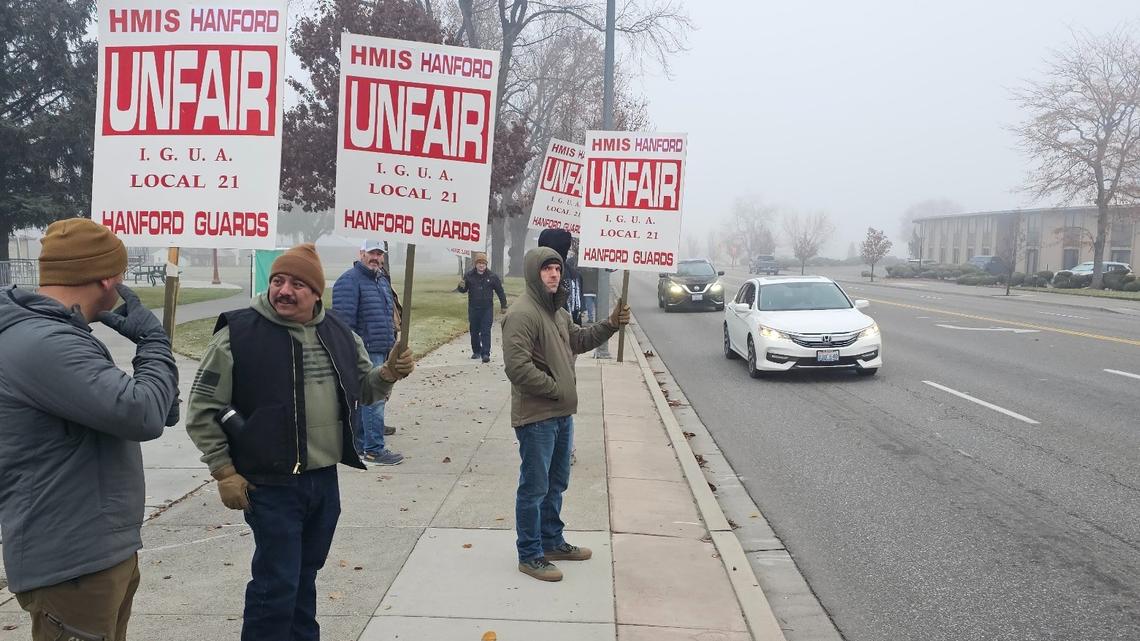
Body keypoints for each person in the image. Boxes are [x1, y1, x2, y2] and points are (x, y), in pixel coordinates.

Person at [186, 243, 415, 641]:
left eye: (296, 283)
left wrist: (389, 373)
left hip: (322, 481)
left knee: (304, 578)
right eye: (277, 280)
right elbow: (203, 408)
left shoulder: (339, 333)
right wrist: (223, 470)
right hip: (268, 483)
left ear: (316, 293)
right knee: (276, 586)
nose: (284, 290)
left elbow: (363, 387)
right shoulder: (237, 333)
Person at [0, 218, 179, 641]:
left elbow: (146, 407)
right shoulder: (44, 342)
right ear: (106, 278)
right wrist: (154, 341)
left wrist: (154, 387)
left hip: (95, 548)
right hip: (71, 559)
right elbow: (142, 414)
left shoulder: (58, 334)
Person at [502, 246, 630, 582]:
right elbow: (517, 368)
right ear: (534, 273)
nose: (554, 274)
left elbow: (580, 339)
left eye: (557, 269)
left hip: (561, 415)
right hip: (536, 417)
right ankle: (530, 554)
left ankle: (552, 541)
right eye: (546, 269)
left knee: (557, 482)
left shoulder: (557, 312)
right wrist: (557, 388)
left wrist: (611, 324)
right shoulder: (523, 313)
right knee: (534, 488)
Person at [330, 239, 403, 466]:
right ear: (361, 253)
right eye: (371, 253)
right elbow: (343, 324)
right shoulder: (349, 281)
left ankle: (362, 443)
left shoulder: (380, 279)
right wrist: (349, 353)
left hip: (382, 347)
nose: (376, 257)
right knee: (374, 400)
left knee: (372, 399)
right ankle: (373, 450)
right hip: (365, 352)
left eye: (379, 253)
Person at [458, 251, 507, 362]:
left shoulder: (492, 277)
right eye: (479, 263)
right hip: (474, 308)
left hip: (487, 308)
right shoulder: (469, 276)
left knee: (485, 331)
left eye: (483, 263)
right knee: (474, 331)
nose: (481, 265)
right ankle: (476, 351)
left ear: (486, 264)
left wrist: (504, 305)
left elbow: (500, 291)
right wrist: (461, 286)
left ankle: (486, 353)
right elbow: (463, 290)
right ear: (475, 264)